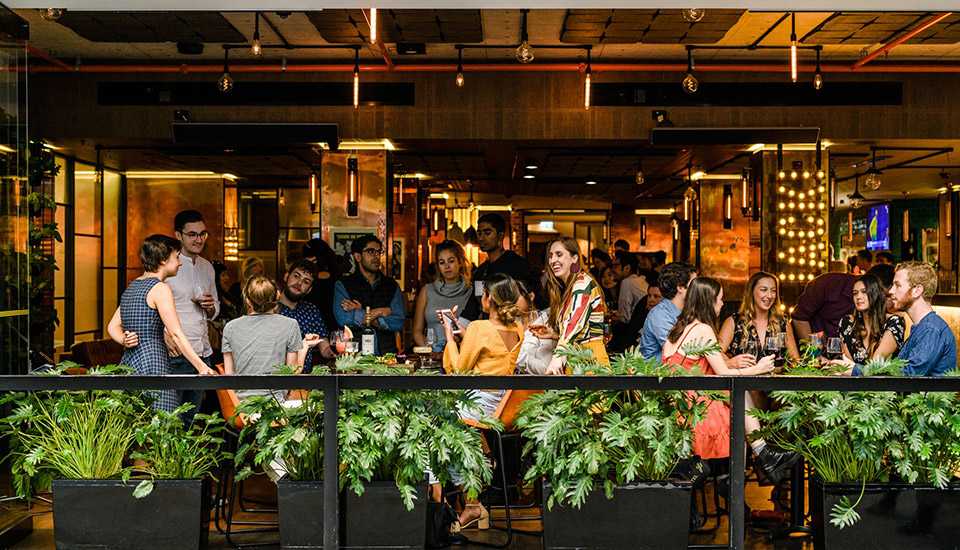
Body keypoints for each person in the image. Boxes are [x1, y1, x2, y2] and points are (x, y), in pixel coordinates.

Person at [661, 277, 799, 483]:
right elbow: (723, 372)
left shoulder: (680, 328)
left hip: (678, 405)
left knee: (737, 399)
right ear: (708, 302)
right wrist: (758, 369)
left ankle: (747, 465)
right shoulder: (702, 329)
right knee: (739, 400)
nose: (722, 304)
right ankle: (747, 467)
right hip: (693, 411)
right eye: (719, 299)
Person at [439, 273, 523, 531]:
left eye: (484, 294)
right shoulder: (518, 327)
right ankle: (485, 455)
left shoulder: (479, 327)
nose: (481, 298)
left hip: (480, 402)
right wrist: (466, 335)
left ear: (490, 299)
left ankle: (473, 502)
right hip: (504, 405)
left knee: (444, 432)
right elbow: (492, 354)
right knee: (457, 426)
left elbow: (458, 372)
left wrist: (450, 338)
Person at [107, 235, 216, 413]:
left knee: (136, 423)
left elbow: (112, 326)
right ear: (164, 260)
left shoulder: (133, 285)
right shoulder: (160, 288)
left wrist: (124, 340)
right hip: (154, 362)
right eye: (177, 257)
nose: (180, 263)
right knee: (162, 424)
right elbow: (175, 333)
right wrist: (201, 366)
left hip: (130, 363)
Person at [843, 262, 957, 377]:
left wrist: (857, 370)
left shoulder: (930, 330)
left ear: (917, 291)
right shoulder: (922, 327)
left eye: (898, 285)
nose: (891, 291)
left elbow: (909, 377)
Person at [222, 275, 320, 401]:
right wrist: (305, 345)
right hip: (275, 405)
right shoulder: (290, 324)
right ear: (277, 295)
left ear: (248, 300)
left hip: (241, 406)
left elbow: (229, 376)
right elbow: (293, 371)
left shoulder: (230, 327)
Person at [162, 210, 219, 423]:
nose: (199, 239)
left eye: (203, 234)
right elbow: (151, 305)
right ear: (178, 236)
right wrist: (162, 333)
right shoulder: (167, 266)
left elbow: (216, 307)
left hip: (203, 351)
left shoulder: (207, 267)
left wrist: (212, 307)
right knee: (171, 417)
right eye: (192, 234)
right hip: (177, 353)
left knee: (192, 418)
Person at [532, 237, 609, 374]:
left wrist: (557, 356)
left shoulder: (582, 283)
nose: (553, 260)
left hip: (589, 360)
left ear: (574, 258)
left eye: (559, 254)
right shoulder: (573, 287)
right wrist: (555, 335)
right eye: (550, 256)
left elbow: (574, 323)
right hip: (578, 359)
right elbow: (580, 329)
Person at [333, 235, 404, 356]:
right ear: (358, 256)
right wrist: (380, 311)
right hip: (355, 358)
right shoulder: (343, 285)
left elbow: (398, 322)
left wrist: (360, 313)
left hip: (387, 356)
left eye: (379, 252)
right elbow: (343, 319)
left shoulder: (391, 285)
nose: (377, 256)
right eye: (371, 251)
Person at [461, 213, 531, 321]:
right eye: (479, 233)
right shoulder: (481, 270)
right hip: (487, 330)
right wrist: (457, 329)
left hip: (512, 327)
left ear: (500, 235)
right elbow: (473, 306)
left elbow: (526, 302)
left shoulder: (516, 264)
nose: (481, 238)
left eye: (487, 233)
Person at [719, 272, 799, 366]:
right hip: (745, 379)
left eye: (773, 291)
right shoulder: (734, 321)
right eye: (763, 290)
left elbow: (795, 359)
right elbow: (716, 354)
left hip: (776, 379)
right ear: (751, 292)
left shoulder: (782, 322)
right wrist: (730, 363)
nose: (769, 296)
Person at [413, 240, 473, 351]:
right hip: (431, 353)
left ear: (460, 262)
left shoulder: (471, 292)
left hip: (461, 355)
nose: (446, 266)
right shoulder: (427, 290)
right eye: (442, 262)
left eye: (451, 261)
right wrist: (428, 350)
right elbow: (417, 330)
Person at [836, 273, 905, 366]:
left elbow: (874, 365)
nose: (858, 297)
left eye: (864, 291)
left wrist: (854, 370)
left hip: (884, 379)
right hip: (853, 380)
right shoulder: (847, 323)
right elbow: (847, 365)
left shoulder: (894, 322)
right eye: (855, 293)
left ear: (876, 294)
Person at [278, 260, 335, 373]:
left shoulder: (311, 310)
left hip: (303, 381)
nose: (299, 283)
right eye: (296, 276)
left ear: (309, 290)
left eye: (306, 281)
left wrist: (337, 353)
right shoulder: (270, 308)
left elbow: (324, 348)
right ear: (286, 276)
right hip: (272, 378)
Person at [638, 262, 698, 360]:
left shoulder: (687, 311)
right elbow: (680, 352)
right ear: (680, 288)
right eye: (693, 283)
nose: (698, 287)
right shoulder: (660, 315)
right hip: (657, 373)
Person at [791, 270, 858, 343]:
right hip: (815, 348)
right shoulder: (829, 283)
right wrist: (813, 351)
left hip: (846, 351)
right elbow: (799, 317)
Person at [516, 276, 555, 375]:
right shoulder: (514, 322)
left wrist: (516, 354)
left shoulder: (545, 324)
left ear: (531, 297)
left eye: (515, 296)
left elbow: (545, 369)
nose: (511, 301)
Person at [302, 238, 342, 333]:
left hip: (311, 324)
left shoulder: (311, 279)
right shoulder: (337, 277)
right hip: (333, 325)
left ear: (315, 258)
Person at [612, 250, 648, 325]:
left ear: (627, 268)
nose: (612, 270)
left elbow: (624, 318)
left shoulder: (627, 282)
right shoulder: (639, 280)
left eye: (615, 266)